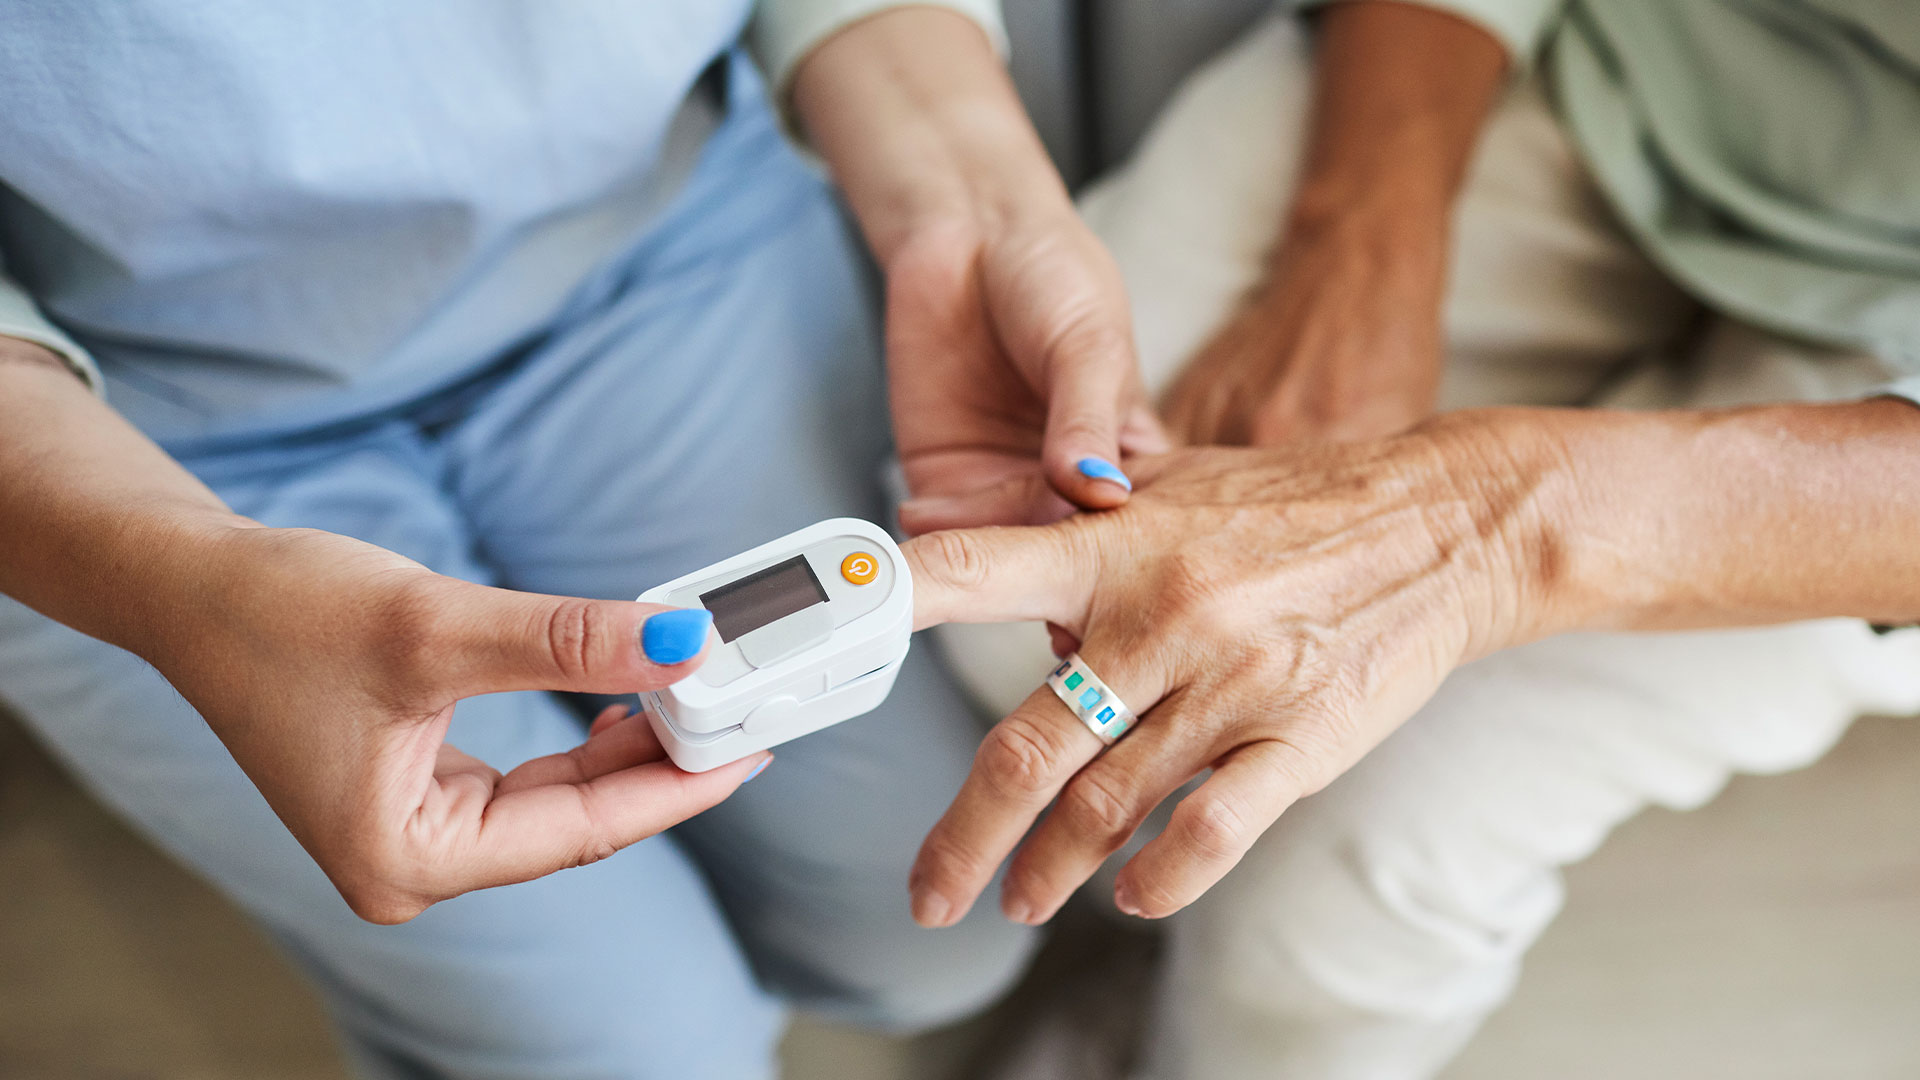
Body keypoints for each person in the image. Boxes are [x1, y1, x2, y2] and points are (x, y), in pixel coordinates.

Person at [0, 3, 1164, 1077]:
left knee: (929, 931)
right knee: (639, 1052)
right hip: (122, 423)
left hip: (655, 235)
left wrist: (982, 205)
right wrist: (179, 590)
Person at [906, 1, 1920, 1077]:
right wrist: (1362, 237)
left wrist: (1478, 529)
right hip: (1602, 49)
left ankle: (1202, 1010)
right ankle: (1150, 928)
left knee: (1330, 912)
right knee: (1030, 591)